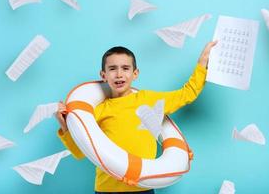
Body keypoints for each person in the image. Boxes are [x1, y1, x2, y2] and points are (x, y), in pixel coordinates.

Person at [56, 41, 217, 194]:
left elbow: (187, 94)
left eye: (125, 68)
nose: (119, 74)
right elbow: (81, 152)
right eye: (112, 69)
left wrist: (202, 63)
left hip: (142, 187)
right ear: (103, 75)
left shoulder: (149, 99)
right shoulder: (99, 111)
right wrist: (65, 126)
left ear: (135, 74)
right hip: (107, 188)